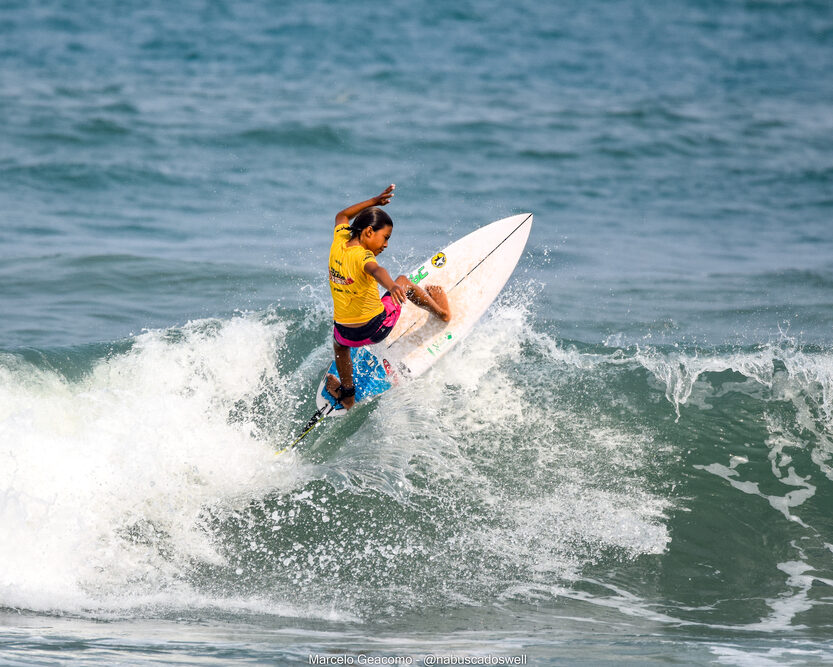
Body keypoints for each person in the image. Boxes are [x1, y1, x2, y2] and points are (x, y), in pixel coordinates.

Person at [326, 184, 451, 409]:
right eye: (385, 238)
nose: (385, 245)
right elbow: (377, 270)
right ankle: (442, 313)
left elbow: (342, 215)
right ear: (368, 232)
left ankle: (347, 394)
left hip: (346, 334)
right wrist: (393, 286)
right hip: (376, 330)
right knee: (404, 280)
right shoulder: (363, 257)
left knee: (339, 346)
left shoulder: (339, 241)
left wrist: (374, 200)